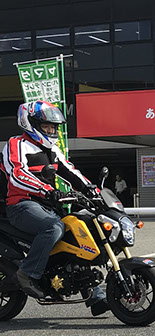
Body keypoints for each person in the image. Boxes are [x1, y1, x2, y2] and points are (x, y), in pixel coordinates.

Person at [0, 100, 109, 315]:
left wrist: (93, 191)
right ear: (30, 123)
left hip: (48, 206)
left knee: (78, 234)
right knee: (54, 228)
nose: (51, 131)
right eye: (46, 126)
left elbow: (70, 171)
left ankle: (94, 295)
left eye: (53, 127)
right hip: (21, 205)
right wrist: (47, 191)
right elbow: (18, 174)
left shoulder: (52, 149)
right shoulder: (17, 144)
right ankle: (27, 274)